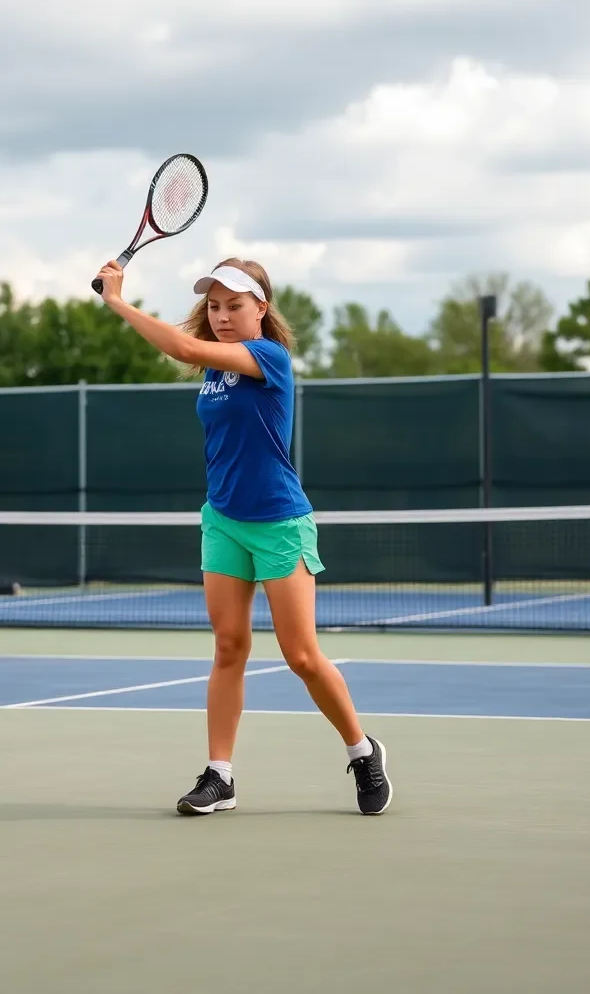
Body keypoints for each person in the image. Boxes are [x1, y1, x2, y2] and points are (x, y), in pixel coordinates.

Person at [93, 255, 391, 816]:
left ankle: (361, 750)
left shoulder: (269, 358)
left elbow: (182, 347)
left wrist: (116, 301)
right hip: (223, 520)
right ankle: (220, 775)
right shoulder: (215, 371)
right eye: (214, 306)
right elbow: (189, 349)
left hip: (279, 522)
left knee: (301, 655)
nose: (223, 315)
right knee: (229, 647)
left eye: (235, 305)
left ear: (261, 308)